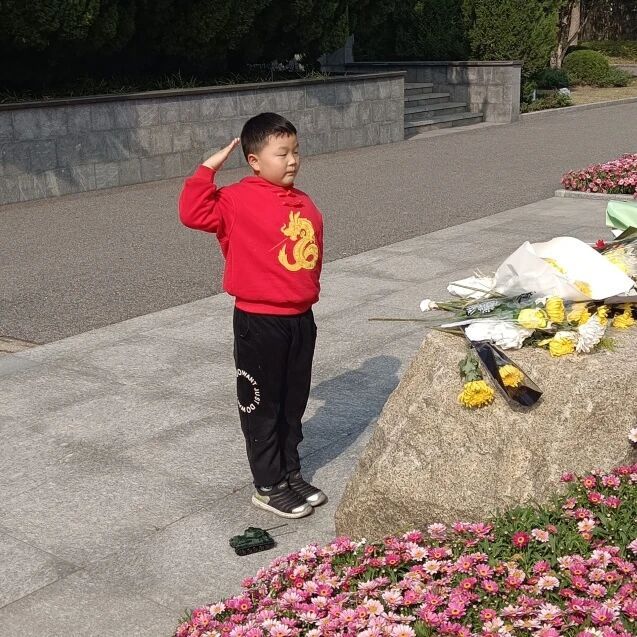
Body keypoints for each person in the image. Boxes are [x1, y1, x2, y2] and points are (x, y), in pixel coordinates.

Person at [178, 112, 326, 519]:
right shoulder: (236, 200)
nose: (292, 160)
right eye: (282, 153)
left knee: (293, 401)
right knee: (262, 405)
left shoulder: (302, 200)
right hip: (259, 323)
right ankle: (267, 484)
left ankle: (289, 472)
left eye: (296, 151)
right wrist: (207, 169)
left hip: (300, 318)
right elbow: (192, 213)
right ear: (255, 160)